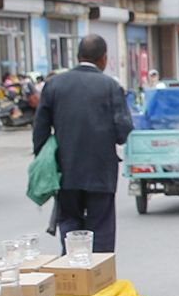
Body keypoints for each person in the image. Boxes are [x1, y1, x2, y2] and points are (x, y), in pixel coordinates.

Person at [33, 34, 135, 253]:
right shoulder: (110, 86)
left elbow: (40, 129)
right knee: (101, 226)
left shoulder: (54, 85)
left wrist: (45, 162)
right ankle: (99, 277)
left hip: (65, 171)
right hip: (100, 171)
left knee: (69, 223)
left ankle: (74, 273)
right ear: (104, 59)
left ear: (77, 56)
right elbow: (123, 131)